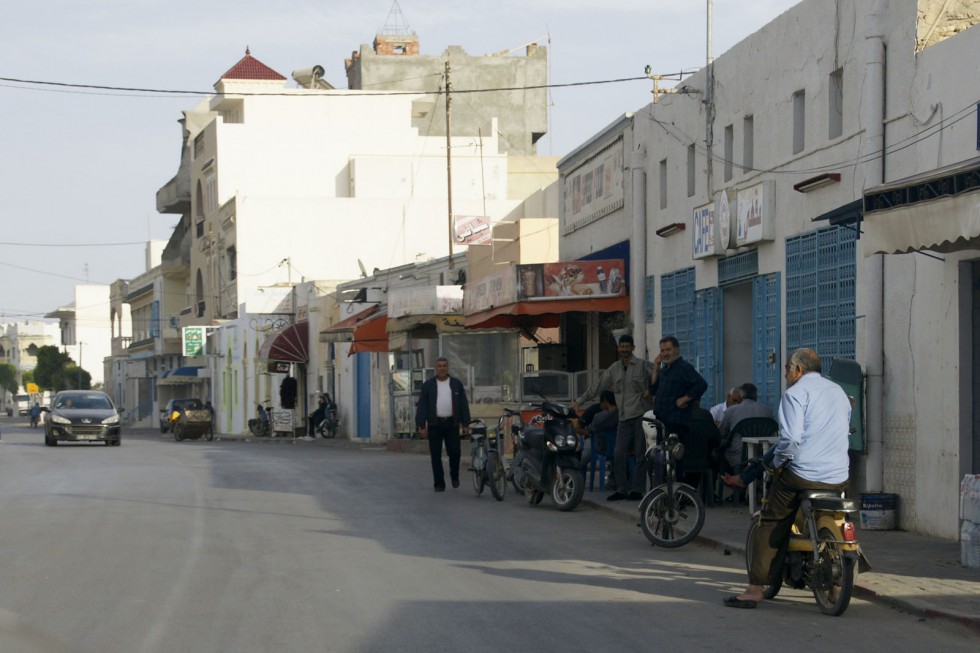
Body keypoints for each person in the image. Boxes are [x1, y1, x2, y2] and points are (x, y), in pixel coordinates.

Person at [725, 348, 851, 609]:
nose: (785, 375)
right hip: (838, 476)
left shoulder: (795, 394)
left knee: (771, 521)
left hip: (804, 475)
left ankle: (754, 589)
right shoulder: (838, 392)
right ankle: (837, 585)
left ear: (798, 370)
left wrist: (780, 463)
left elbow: (791, 440)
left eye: (785, 370)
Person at [572, 334, 653, 502]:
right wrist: (579, 402)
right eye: (621, 347)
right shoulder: (614, 368)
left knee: (640, 454)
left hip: (640, 415)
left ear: (633, 347)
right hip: (623, 418)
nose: (624, 349)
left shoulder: (642, 365)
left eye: (627, 346)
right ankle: (622, 489)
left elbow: (659, 378)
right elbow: (597, 386)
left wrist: (651, 391)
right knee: (618, 453)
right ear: (619, 348)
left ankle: (637, 490)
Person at [415, 357, 471, 492]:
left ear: (448, 367)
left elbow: (463, 404)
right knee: (435, 455)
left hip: (452, 424)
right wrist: (422, 425)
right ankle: (439, 483)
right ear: (436, 368)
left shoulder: (456, 384)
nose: (442, 368)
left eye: (444, 365)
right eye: (439, 366)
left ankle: (454, 476)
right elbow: (423, 405)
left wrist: (465, 423)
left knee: (455, 453)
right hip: (435, 424)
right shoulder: (428, 385)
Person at [649, 335, 708, 439]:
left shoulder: (684, 367)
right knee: (661, 453)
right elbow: (652, 390)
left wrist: (684, 399)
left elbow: (701, 384)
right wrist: (655, 370)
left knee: (675, 453)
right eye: (662, 350)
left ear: (676, 350)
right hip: (661, 422)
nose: (665, 353)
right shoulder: (663, 371)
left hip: (677, 423)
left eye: (668, 350)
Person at [716, 383, 773, 473]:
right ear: (756, 396)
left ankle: (723, 479)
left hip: (737, 459)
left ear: (741, 396)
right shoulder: (768, 411)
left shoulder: (731, 410)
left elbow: (720, 434)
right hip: (761, 456)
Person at [577, 391, 618, 479]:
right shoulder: (593, 410)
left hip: (609, 443)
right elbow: (578, 427)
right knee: (585, 454)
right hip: (595, 441)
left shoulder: (611, 414)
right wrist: (589, 433)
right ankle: (573, 472)